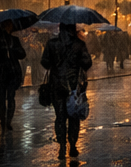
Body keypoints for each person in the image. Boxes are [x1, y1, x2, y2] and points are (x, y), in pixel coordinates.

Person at [42, 21, 93, 159]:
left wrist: (55, 61)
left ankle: (62, 146)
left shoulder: (52, 44)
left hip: (57, 85)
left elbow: (44, 62)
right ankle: (72, 145)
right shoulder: (79, 44)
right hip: (73, 86)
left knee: (60, 117)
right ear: (73, 29)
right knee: (73, 116)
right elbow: (87, 63)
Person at [0, 19, 26, 129]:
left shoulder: (13, 40)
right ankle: (3, 121)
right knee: (4, 97)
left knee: (8, 97)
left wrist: (12, 50)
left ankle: (7, 121)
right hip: (3, 72)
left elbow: (22, 54)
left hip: (9, 73)